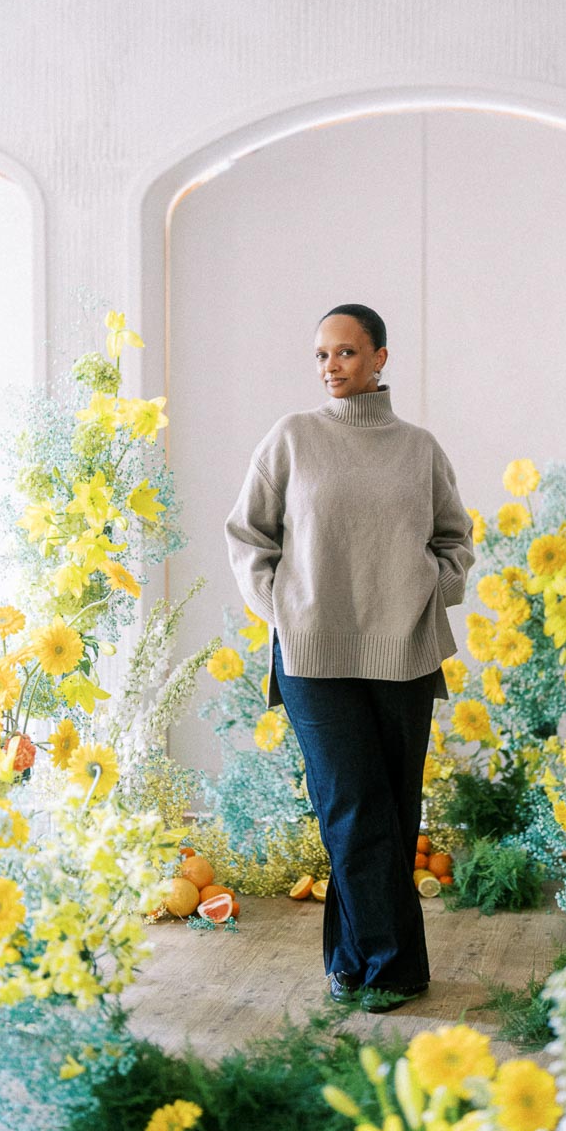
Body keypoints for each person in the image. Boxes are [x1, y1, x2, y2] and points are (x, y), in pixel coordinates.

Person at [224, 304, 475, 1012]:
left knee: (393, 811)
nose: (331, 367)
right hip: (312, 655)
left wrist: (430, 588)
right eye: (321, 356)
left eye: (345, 353)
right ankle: (395, 968)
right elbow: (248, 535)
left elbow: (456, 540)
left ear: (380, 358)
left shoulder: (418, 449)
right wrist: (282, 607)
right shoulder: (293, 438)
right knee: (354, 807)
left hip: (404, 652)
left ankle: (349, 960)